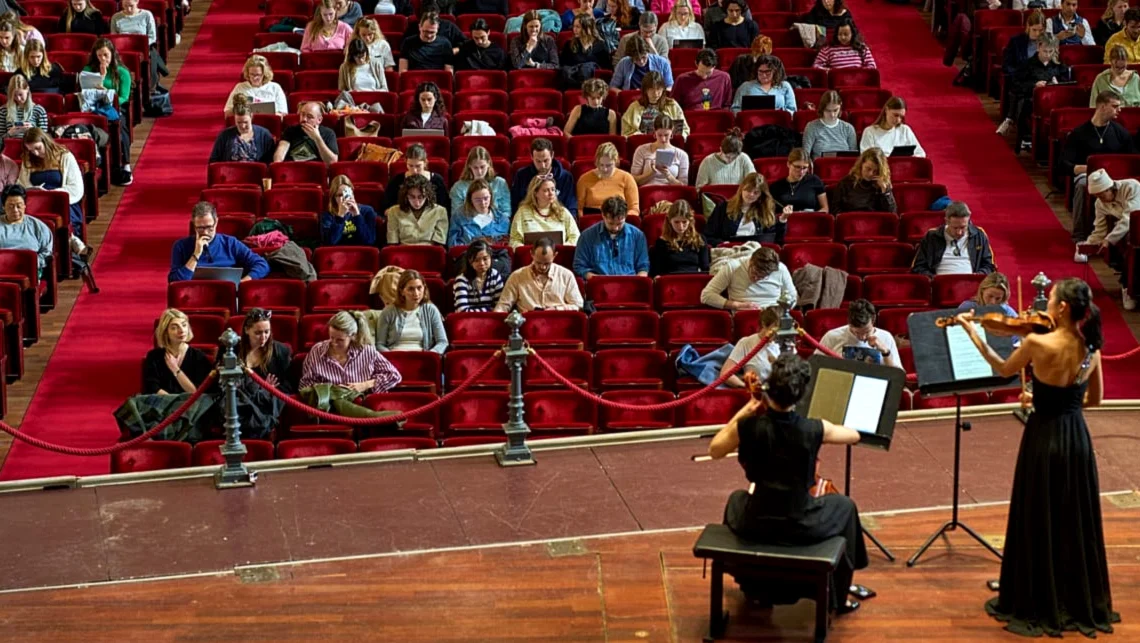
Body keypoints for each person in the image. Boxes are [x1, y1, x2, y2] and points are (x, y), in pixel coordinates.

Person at [954, 278, 1117, 637]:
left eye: (1051, 298)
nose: (1045, 305)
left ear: (1062, 307)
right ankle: (1073, 596)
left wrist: (972, 332)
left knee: (1039, 514)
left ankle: (1037, 596)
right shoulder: (1091, 348)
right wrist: (1052, 399)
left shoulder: (1037, 342)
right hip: (1076, 439)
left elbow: (1002, 369)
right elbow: (1094, 401)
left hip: (1044, 438)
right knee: (1073, 517)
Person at [709, 353, 869, 614]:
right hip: (800, 522)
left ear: (769, 387)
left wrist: (748, 408)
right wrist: (823, 428)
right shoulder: (815, 428)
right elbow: (854, 435)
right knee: (845, 506)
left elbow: (715, 449)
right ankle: (838, 596)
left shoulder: (748, 426)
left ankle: (751, 585)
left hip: (757, 520)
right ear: (800, 394)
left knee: (736, 498)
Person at [1062, 91, 1134, 255]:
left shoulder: (1121, 133)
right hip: (1088, 176)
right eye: (1115, 106)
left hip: (1116, 177)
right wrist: (1083, 168)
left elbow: (1132, 158)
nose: (1119, 110)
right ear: (1102, 106)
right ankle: (1079, 234)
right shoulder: (1079, 133)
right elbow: (1064, 163)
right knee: (1082, 185)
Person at [299, 310, 403, 394]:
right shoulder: (317, 350)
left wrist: (365, 385)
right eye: (331, 337)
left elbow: (394, 375)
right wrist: (330, 390)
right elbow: (305, 384)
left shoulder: (366, 351)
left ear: (353, 336)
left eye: (340, 340)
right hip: (327, 405)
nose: (334, 343)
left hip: (359, 401)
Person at [18, 128, 85, 252]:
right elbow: (22, 185)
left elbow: (75, 187)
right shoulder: (28, 159)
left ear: (46, 142)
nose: (35, 153)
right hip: (37, 202)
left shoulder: (64, 156)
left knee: (63, 218)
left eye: (38, 148)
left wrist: (52, 194)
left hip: (61, 201)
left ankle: (69, 241)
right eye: (31, 150)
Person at [168, 201, 270, 282]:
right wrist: (196, 255)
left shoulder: (230, 243)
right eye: (200, 228)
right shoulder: (180, 246)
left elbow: (262, 265)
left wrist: (242, 283)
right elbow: (175, 281)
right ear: (194, 226)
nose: (205, 232)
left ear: (216, 222)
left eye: (209, 227)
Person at [999, 34, 1069, 150]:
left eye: (1050, 51)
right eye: (1045, 51)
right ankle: (1027, 138)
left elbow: (1068, 84)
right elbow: (1016, 85)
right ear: (1038, 47)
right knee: (1027, 105)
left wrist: (1057, 84)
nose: (1048, 55)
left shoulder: (1059, 66)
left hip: (1055, 101)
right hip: (1030, 98)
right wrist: (1034, 85)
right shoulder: (1027, 65)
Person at [233, 308, 293, 439]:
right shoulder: (232, 349)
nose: (263, 337)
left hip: (267, 402)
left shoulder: (280, 351)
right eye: (258, 333)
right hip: (239, 400)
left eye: (267, 332)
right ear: (246, 330)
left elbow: (288, 386)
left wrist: (268, 390)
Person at [84, 39, 133, 185]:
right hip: (93, 106)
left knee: (120, 128)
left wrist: (108, 94)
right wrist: (101, 77)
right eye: (99, 55)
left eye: (106, 55)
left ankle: (125, 163)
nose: (103, 59)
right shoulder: (88, 70)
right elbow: (84, 89)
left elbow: (124, 97)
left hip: (115, 107)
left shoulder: (122, 72)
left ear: (112, 54)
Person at [495, 237, 584, 312]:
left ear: (555, 255)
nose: (543, 267)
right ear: (531, 254)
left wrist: (557, 309)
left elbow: (578, 305)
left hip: (557, 323)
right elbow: (503, 306)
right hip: (528, 324)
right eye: (538, 262)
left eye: (547, 263)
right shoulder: (517, 276)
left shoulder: (566, 275)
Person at [911, 201, 996, 277]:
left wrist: (977, 277)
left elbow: (989, 265)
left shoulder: (978, 235)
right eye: (955, 228)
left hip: (971, 283)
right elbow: (918, 267)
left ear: (968, 220)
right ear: (946, 221)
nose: (959, 232)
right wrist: (933, 279)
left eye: (963, 227)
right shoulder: (932, 236)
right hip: (940, 284)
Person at [705, 172, 791, 247]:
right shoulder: (723, 207)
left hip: (755, 252)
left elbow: (775, 240)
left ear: (761, 195)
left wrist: (783, 219)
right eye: (748, 190)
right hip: (730, 251)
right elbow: (708, 236)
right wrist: (724, 244)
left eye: (756, 192)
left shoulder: (764, 211)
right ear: (742, 189)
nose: (751, 194)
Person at [573, 196, 649, 279]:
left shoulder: (638, 236)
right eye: (611, 223)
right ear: (603, 215)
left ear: (626, 216)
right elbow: (579, 266)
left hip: (629, 283)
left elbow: (643, 267)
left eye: (619, 224)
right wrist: (597, 280)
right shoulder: (586, 236)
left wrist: (636, 283)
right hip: (599, 283)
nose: (615, 228)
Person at [374, 269, 448, 353]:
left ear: (424, 288)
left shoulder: (431, 310)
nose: (416, 293)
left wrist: (430, 354)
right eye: (411, 289)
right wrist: (390, 356)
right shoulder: (388, 312)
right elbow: (380, 344)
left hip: (422, 357)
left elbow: (442, 342)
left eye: (419, 288)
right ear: (402, 291)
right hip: (395, 357)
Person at [701, 246, 797, 310]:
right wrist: (737, 305)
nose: (756, 278)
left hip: (774, 315)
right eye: (754, 273)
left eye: (762, 277)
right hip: (745, 315)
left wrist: (781, 309)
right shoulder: (733, 267)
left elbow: (793, 297)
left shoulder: (781, 269)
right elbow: (706, 295)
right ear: (750, 261)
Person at [143, 309, 213, 395]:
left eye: (184, 325)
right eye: (174, 328)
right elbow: (152, 388)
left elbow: (195, 392)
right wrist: (171, 401)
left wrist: (176, 370)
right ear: (165, 332)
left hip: (192, 402)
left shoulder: (198, 357)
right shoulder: (154, 356)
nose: (181, 330)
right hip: (162, 402)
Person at [819, 299, 902, 369]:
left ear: (873, 320)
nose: (862, 337)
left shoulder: (886, 337)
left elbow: (897, 376)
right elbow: (816, 367)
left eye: (867, 332)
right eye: (857, 332)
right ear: (849, 323)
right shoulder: (832, 336)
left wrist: (885, 352)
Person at [1083, 169, 1137, 273]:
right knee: (1128, 237)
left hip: (1136, 223)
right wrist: (1088, 245)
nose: (1100, 199)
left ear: (1109, 188)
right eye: (1096, 196)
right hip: (1130, 228)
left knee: (1131, 237)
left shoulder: (1131, 187)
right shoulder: (1099, 203)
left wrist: (1109, 239)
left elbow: (1129, 218)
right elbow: (1100, 229)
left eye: (1101, 195)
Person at [510, 138, 579, 216]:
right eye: (538, 161)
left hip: (558, 218)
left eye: (546, 160)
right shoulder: (521, 175)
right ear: (532, 157)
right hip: (529, 218)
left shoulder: (566, 177)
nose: (542, 165)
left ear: (552, 155)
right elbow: (515, 204)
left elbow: (571, 206)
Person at [718, 306, 782, 387]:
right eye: (775, 330)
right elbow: (725, 374)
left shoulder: (787, 343)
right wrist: (747, 387)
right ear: (764, 324)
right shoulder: (745, 343)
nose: (778, 335)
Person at [510, 176, 581, 248]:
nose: (551, 193)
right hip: (530, 254)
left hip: (559, 253)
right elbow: (514, 240)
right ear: (535, 193)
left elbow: (575, 236)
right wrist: (528, 251)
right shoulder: (522, 212)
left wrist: (561, 248)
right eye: (546, 190)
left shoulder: (563, 212)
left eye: (553, 190)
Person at [0, 185, 53, 278]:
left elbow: (47, 252)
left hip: (29, 272)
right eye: (10, 206)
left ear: (25, 205)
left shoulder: (38, 227)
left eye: (19, 206)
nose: (15, 210)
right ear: (3, 207)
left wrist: (32, 263)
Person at [384, 143, 450, 217]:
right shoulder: (397, 180)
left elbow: (445, 209)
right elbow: (386, 209)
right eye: (410, 165)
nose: (414, 170)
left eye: (418, 166)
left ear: (425, 163)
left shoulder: (437, 180)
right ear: (406, 162)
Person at [209, 95, 276, 164]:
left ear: (251, 116)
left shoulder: (264, 135)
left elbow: (271, 162)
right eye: (239, 122)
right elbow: (213, 162)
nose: (243, 126)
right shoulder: (224, 135)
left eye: (245, 122)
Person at [650, 200, 709, 276]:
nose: (680, 227)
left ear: (690, 221)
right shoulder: (661, 242)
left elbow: (705, 270)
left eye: (684, 222)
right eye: (676, 222)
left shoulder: (700, 240)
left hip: (693, 280)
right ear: (669, 221)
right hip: (671, 281)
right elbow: (657, 272)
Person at [385, 174, 448, 246]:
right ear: (405, 196)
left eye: (421, 197)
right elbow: (392, 244)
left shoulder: (440, 211)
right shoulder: (394, 211)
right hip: (404, 251)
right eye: (412, 197)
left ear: (428, 195)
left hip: (429, 251)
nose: (417, 203)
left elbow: (439, 246)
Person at [620, 71, 689, 136]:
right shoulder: (634, 107)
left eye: (658, 89)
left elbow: (685, 130)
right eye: (651, 89)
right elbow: (626, 133)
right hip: (644, 143)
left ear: (663, 89)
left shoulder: (672, 105)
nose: (656, 93)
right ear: (645, 90)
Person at [576, 142, 639, 212]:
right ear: (597, 162)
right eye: (601, 165)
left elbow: (634, 209)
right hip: (593, 217)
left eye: (608, 165)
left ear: (616, 162)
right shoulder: (584, 179)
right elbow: (579, 208)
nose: (604, 169)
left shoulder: (627, 178)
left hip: (619, 217)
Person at [831, 148, 897, 214]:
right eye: (868, 169)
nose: (871, 174)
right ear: (861, 165)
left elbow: (892, 214)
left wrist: (885, 192)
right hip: (852, 219)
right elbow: (835, 210)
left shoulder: (882, 184)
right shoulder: (846, 183)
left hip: (875, 220)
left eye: (875, 171)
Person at [631, 114, 690, 187]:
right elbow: (633, 181)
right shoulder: (641, 150)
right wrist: (652, 172)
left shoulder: (682, 155)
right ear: (654, 131)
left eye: (666, 135)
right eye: (660, 135)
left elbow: (684, 186)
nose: (663, 139)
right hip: (648, 191)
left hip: (671, 192)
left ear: (672, 131)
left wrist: (668, 174)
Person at [450, 146, 510, 218]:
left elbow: (506, 212)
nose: (479, 172)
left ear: (488, 164)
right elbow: (457, 215)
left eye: (482, 167)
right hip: (468, 223)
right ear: (469, 166)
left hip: (496, 223)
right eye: (475, 167)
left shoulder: (500, 183)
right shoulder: (458, 187)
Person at [448, 178, 510, 247]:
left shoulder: (502, 220)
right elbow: (453, 245)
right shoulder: (458, 217)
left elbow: (504, 247)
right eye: (477, 200)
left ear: (491, 197)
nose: (483, 203)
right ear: (470, 199)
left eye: (486, 198)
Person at [273, 101, 340, 165]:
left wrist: (317, 138)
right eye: (302, 114)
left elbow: (332, 162)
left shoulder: (328, 133)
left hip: (314, 171)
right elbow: (278, 157)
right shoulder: (290, 130)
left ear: (319, 120)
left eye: (309, 117)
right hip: (292, 170)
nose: (304, 119)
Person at [321, 175, 379, 247]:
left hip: (360, 251)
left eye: (346, 194)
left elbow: (369, 241)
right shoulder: (328, 216)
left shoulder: (367, 211)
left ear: (352, 193)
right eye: (339, 195)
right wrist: (340, 216)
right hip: (338, 252)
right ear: (334, 197)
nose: (343, 198)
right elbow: (330, 243)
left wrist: (357, 215)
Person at [860, 96, 926, 157]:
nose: (898, 120)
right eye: (895, 115)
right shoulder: (870, 132)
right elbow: (866, 157)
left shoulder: (905, 130)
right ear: (886, 110)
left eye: (901, 117)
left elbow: (921, 153)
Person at [223, 55, 288, 117]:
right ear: (247, 73)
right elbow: (227, 113)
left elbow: (283, 114)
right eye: (252, 74)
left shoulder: (275, 87)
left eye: (258, 75)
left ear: (264, 74)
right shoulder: (240, 87)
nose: (254, 78)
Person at [453, 239, 505, 312]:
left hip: (490, 318)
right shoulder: (461, 280)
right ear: (470, 262)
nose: (482, 263)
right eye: (476, 260)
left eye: (485, 259)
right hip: (467, 318)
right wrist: (488, 309)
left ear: (490, 257)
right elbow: (462, 311)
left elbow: (499, 307)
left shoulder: (495, 275)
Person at [769, 148, 828, 212]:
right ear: (788, 164)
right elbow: (770, 213)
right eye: (797, 167)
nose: (801, 172)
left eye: (805, 168)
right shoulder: (776, 187)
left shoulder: (815, 181)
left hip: (810, 217)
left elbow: (825, 209)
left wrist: (811, 215)